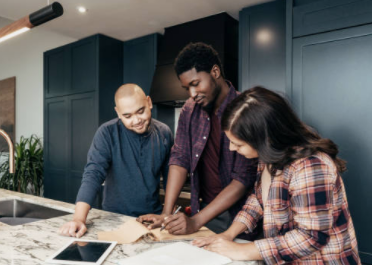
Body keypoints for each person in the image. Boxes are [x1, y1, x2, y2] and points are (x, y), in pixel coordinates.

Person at [193, 86, 360, 264]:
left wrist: (244, 250)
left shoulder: (311, 166)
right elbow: (257, 202)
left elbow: (311, 237)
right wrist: (228, 235)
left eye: (238, 144)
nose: (231, 148)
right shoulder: (268, 159)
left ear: (265, 139)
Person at [138, 42, 258, 237]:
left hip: (241, 216)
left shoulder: (244, 110)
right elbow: (180, 158)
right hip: (203, 211)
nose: (192, 94)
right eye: (187, 88)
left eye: (195, 84)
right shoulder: (189, 109)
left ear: (215, 72)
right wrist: (166, 213)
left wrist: (195, 221)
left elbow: (243, 178)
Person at [59, 84, 173, 238]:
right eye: (128, 116)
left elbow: (170, 178)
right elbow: (93, 174)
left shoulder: (164, 133)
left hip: (152, 219)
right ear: (118, 113)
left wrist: (168, 214)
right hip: (114, 219)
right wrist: (79, 219)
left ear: (149, 102)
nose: (137, 120)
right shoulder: (107, 133)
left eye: (141, 111)